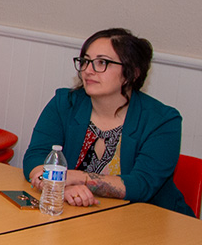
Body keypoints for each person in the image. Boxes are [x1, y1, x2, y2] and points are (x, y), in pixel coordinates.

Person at [23, 28, 192, 215]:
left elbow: (141, 185)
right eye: (86, 61)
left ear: (132, 73)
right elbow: (36, 157)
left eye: (102, 63)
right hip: (80, 217)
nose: (88, 70)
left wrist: (75, 178)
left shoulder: (162, 120)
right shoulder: (65, 103)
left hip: (149, 222)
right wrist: (61, 188)